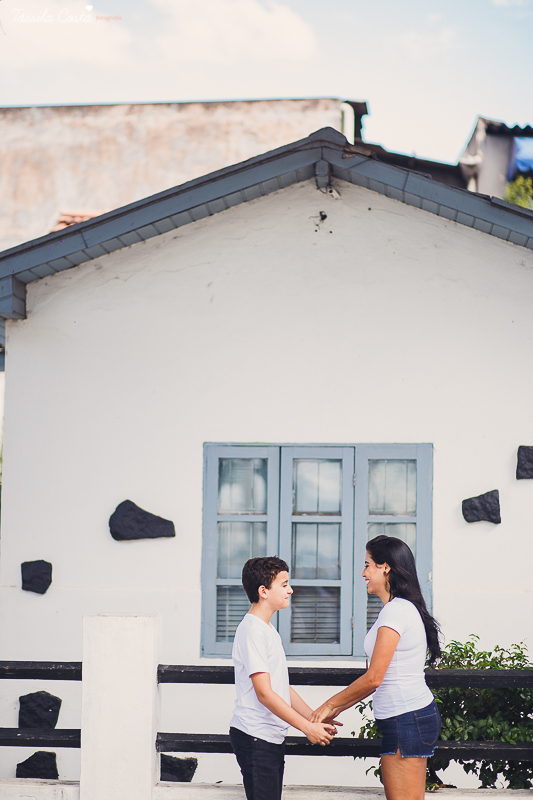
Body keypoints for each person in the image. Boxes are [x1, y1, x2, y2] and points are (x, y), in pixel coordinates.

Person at [310, 535, 441, 800]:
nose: (363, 573)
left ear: (385, 567)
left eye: (367, 565)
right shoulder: (398, 608)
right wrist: (335, 708)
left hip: (406, 718)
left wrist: (328, 705)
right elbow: (378, 678)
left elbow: (374, 678)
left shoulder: (396, 611)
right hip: (407, 717)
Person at [230, 556, 338, 800]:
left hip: (268, 737)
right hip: (255, 737)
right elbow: (264, 693)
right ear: (263, 591)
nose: (290, 590)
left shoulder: (267, 629)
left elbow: (281, 686)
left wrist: (314, 717)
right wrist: (307, 728)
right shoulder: (252, 631)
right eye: (284, 584)